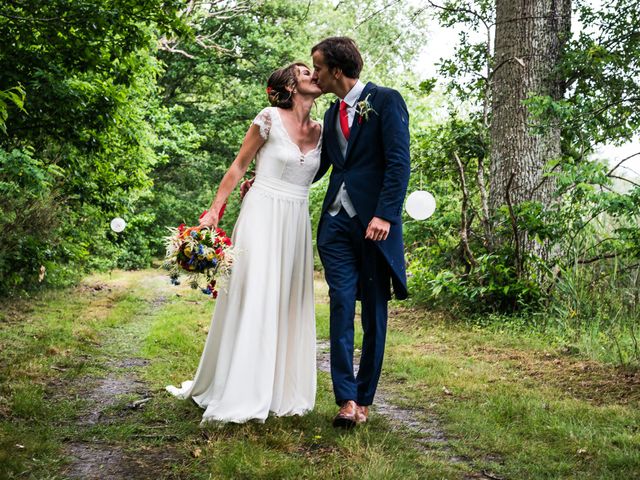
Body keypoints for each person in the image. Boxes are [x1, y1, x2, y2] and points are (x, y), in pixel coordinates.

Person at [166, 62, 323, 424]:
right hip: (262, 214)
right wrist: (213, 211)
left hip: (296, 221)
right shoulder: (268, 117)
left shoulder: (323, 130)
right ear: (288, 85)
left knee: (287, 299)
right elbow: (239, 166)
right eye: (303, 72)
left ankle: (280, 390)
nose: (312, 75)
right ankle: (240, 389)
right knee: (256, 295)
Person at [311, 37, 411, 428]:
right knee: (340, 304)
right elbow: (318, 165)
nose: (314, 73)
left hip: (374, 227)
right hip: (335, 225)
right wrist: (267, 179)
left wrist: (385, 215)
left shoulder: (386, 101)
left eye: (317, 67)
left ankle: (365, 398)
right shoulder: (333, 112)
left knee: (373, 311)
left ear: (336, 70)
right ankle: (346, 400)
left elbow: (399, 162)